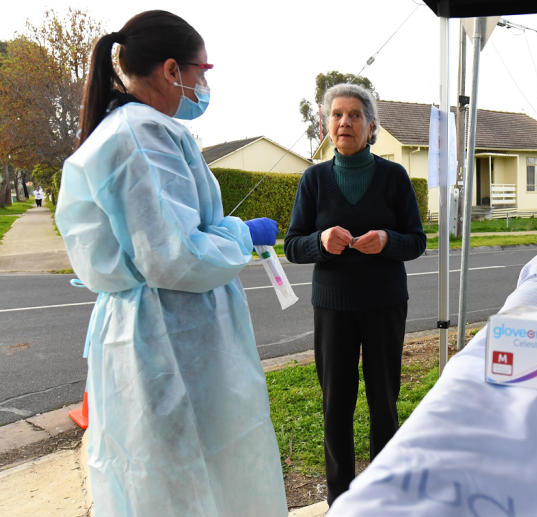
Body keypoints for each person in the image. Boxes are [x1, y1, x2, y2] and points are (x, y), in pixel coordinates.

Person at [54, 11, 287, 516]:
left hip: (151, 331)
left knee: (162, 476)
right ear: (170, 70)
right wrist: (241, 234)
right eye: (201, 70)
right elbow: (174, 256)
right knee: (189, 479)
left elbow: (145, 241)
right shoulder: (144, 135)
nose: (203, 84)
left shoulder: (126, 132)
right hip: (170, 337)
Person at [284, 83, 426, 504]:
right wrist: (319, 241)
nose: (344, 122)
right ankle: (340, 500)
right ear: (327, 126)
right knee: (336, 406)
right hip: (333, 308)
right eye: (336, 115)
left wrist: (387, 239)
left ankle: (381, 497)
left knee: (384, 401)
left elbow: (417, 240)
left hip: (385, 304)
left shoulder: (394, 177)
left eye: (355, 115)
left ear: (371, 126)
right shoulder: (314, 180)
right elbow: (292, 245)